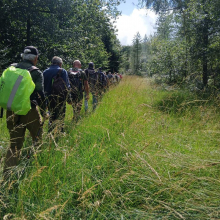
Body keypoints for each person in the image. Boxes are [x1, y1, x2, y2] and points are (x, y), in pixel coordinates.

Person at [3, 46, 46, 177]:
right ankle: (34, 169)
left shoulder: (12, 68)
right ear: (36, 59)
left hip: (11, 111)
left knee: (14, 143)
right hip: (29, 111)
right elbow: (40, 92)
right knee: (37, 138)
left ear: (23, 56)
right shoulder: (36, 72)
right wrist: (44, 112)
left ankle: (8, 175)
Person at [43, 56, 70, 132]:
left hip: (48, 98)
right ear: (60, 63)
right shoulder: (62, 71)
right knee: (61, 115)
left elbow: (43, 86)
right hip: (60, 98)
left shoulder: (45, 72)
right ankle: (60, 132)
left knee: (51, 115)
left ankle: (51, 132)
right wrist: (69, 99)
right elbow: (67, 86)